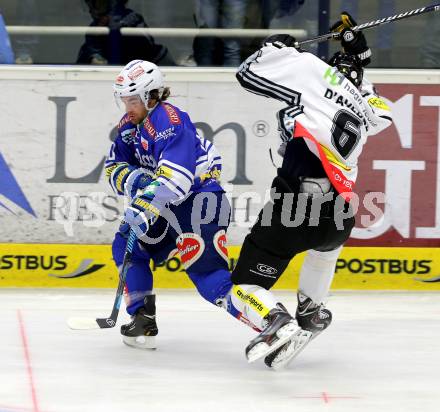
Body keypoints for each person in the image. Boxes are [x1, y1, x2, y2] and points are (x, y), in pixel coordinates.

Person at [105, 60, 305, 361]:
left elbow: (178, 179)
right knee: (127, 246)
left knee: (209, 276)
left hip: (199, 203)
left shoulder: (170, 121)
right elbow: (113, 168)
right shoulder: (129, 128)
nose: (127, 107)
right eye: (124, 100)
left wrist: (144, 206)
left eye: (133, 100)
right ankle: (142, 320)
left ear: (151, 97)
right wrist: (138, 180)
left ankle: (274, 320)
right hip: (168, 207)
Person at [231, 12, 393, 369]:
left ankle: (274, 318)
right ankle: (311, 311)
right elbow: (379, 109)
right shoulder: (368, 108)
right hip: (341, 212)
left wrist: (275, 50)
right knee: (325, 250)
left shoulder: (312, 79)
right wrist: (359, 59)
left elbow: (246, 74)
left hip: (294, 205)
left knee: (243, 287)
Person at [77, 0, 174, 65]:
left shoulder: (132, 18)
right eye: (90, 5)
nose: (92, 10)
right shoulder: (93, 31)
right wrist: (95, 57)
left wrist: (118, 26)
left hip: (141, 69)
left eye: (98, 4)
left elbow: (146, 44)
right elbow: (93, 54)